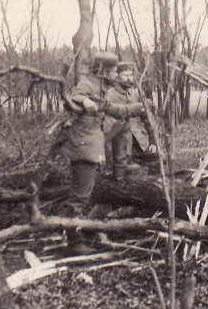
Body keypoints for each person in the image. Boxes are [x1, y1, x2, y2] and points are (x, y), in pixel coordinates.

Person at [56, 51, 145, 252]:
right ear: (103, 71)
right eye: (113, 71)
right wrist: (85, 102)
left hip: (90, 147)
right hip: (83, 148)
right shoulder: (88, 85)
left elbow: (117, 110)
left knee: (83, 194)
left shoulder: (102, 90)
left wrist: (141, 107)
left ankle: (76, 235)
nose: (115, 75)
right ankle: (74, 242)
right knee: (79, 197)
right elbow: (73, 98)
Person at [104, 61, 155, 181]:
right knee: (125, 175)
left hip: (140, 143)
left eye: (130, 75)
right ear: (117, 76)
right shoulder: (109, 95)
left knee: (158, 163)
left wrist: (153, 141)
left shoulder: (136, 93)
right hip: (121, 145)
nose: (129, 78)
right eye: (125, 75)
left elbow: (148, 118)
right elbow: (107, 127)